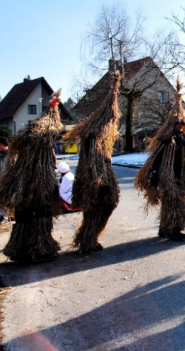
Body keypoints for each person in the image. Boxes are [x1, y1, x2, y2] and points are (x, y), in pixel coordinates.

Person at [0, 91, 64, 263]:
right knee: (40, 214)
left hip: (25, 184)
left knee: (25, 215)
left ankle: (20, 249)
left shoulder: (29, 138)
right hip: (37, 185)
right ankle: (39, 248)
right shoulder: (43, 142)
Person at [135, 79, 185, 241]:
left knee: (169, 202)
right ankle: (174, 230)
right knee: (175, 202)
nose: (179, 126)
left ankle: (164, 229)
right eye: (177, 124)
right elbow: (156, 158)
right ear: (172, 124)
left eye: (181, 124)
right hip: (168, 175)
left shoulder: (183, 140)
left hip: (179, 174)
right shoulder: (166, 139)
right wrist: (155, 174)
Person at [64, 72, 121, 254]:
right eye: (112, 119)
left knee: (109, 202)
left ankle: (89, 237)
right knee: (95, 207)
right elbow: (91, 159)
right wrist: (97, 178)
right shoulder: (93, 134)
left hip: (103, 173)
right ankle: (87, 240)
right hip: (93, 177)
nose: (114, 121)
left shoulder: (102, 135)